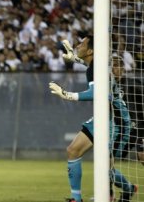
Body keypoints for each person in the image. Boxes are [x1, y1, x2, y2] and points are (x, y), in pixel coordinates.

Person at [49, 37, 136, 202]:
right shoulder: (95, 65)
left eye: (82, 44)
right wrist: (74, 58)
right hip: (103, 117)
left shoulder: (95, 67)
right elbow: (88, 64)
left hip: (116, 120)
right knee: (73, 150)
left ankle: (127, 189)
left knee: (105, 166)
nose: (78, 45)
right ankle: (76, 199)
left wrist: (67, 94)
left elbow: (95, 93)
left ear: (90, 51)